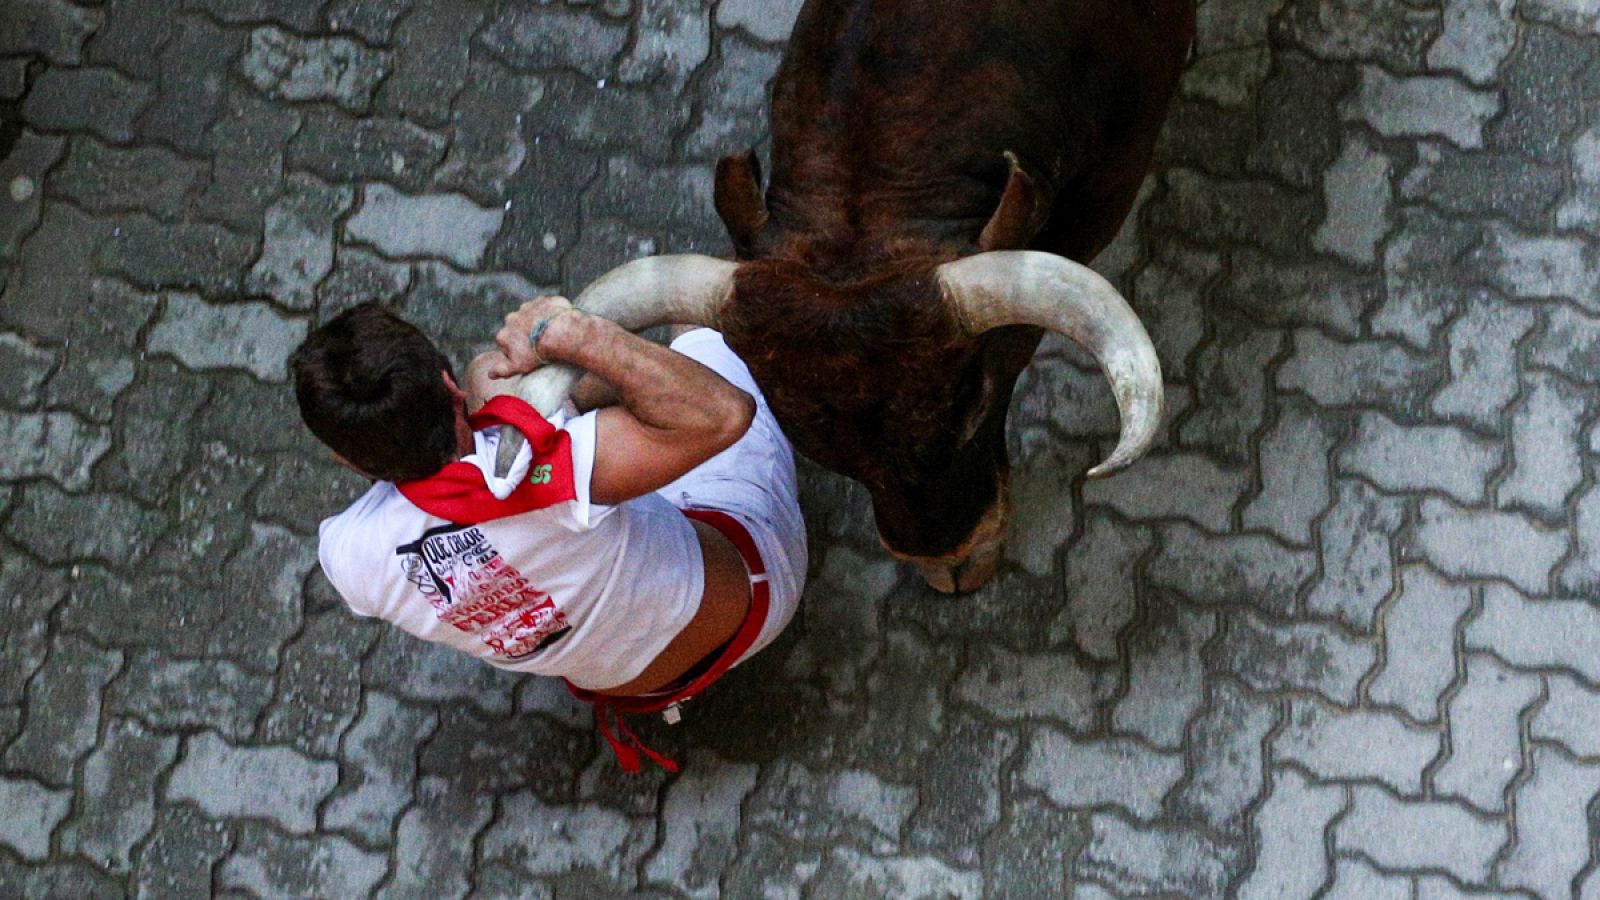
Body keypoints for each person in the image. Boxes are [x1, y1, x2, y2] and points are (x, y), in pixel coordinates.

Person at [291, 298, 807, 771]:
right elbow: (723, 413)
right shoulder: (559, 477)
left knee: (494, 380)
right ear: (449, 389)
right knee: (702, 324)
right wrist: (586, 339)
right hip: (759, 586)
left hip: (624, 684)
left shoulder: (349, 556)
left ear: (347, 461)